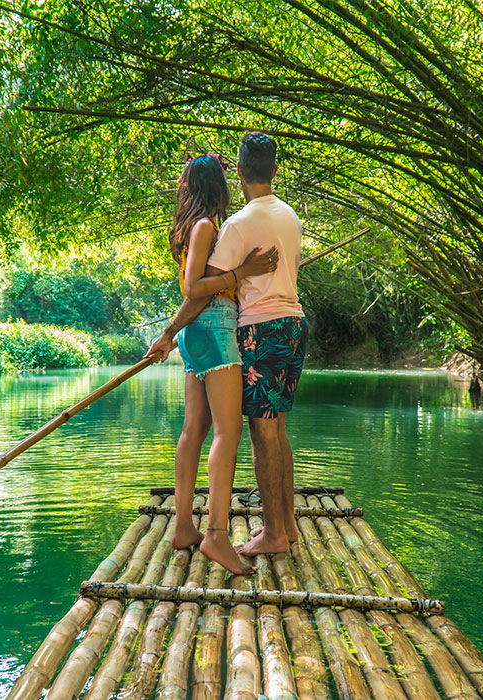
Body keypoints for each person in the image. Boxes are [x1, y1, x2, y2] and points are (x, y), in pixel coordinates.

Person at [149, 133, 308, 558]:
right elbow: (198, 287)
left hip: (252, 328)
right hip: (275, 326)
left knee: (242, 430)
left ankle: (263, 532)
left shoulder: (230, 225)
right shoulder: (285, 217)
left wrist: (170, 333)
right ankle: (266, 529)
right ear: (274, 171)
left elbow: (197, 288)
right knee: (262, 429)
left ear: (239, 173)